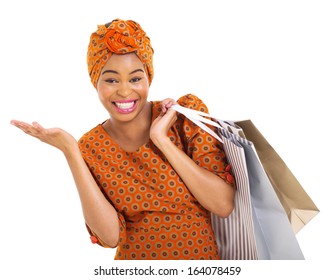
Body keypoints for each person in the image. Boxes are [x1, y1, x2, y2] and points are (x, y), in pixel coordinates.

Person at [10, 19, 236, 260]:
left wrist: (161, 140)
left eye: (135, 79)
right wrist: (70, 150)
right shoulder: (92, 146)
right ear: (95, 82)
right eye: (111, 80)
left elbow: (223, 205)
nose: (125, 91)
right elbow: (110, 237)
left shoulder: (183, 116)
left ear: (149, 78)